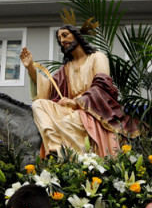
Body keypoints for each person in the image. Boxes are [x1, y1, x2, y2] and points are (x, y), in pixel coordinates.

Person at [20, 24, 140, 157]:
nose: (62, 40)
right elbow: (48, 91)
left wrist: (77, 102)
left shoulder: (97, 57)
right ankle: (55, 147)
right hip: (69, 108)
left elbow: (102, 87)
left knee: (67, 122)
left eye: (65, 35)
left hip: (91, 109)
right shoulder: (66, 68)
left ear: (77, 35)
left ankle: (78, 159)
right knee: (38, 104)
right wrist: (30, 68)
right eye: (59, 38)